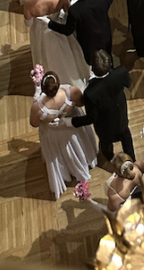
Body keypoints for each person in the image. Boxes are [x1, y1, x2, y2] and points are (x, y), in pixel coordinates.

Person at [30, 70, 97, 199]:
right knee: (77, 149)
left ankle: (65, 173)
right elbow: (80, 103)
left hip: (54, 134)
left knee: (58, 156)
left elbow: (34, 123)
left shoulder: (38, 107)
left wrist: (36, 93)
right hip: (72, 128)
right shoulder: (71, 92)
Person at [74, 48, 134, 163]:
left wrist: (73, 122)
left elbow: (91, 117)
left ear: (92, 68)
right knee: (126, 135)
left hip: (104, 127)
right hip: (120, 115)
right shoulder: (121, 72)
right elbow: (129, 83)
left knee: (106, 143)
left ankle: (109, 158)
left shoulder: (90, 92)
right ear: (110, 63)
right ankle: (132, 159)